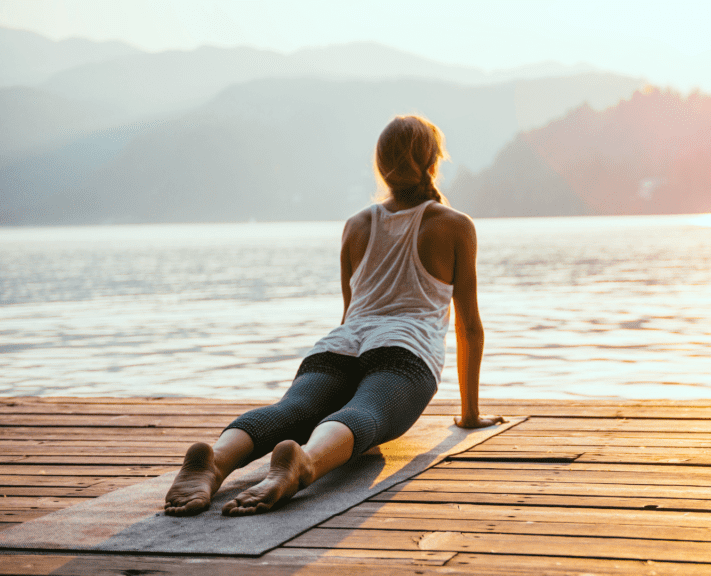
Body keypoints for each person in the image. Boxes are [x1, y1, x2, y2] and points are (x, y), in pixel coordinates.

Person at [163, 115, 504, 517]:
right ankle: (303, 462)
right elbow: (469, 329)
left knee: (289, 411)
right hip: (404, 353)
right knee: (365, 414)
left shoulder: (356, 225)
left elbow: (350, 313)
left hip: (338, 346)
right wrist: (468, 415)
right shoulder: (454, 225)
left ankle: (216, 459)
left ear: (380, 167)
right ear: (433, 162)